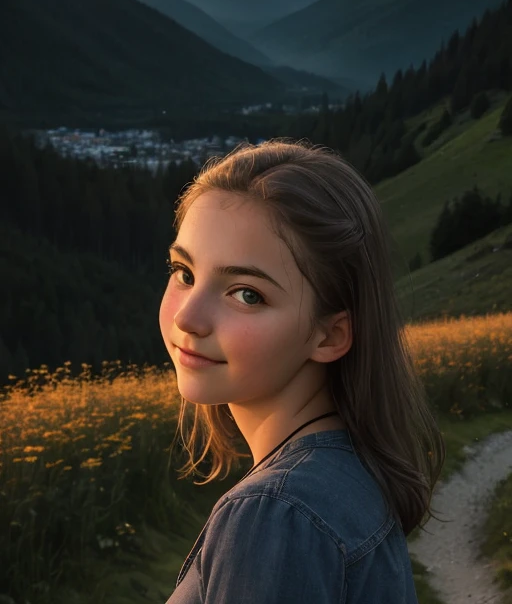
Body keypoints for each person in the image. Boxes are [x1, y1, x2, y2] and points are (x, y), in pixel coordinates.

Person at [159, 139, 445, 603]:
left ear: (330, 335)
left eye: (247, 294)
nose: (187, 317)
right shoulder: (347, 475)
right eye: (184, 272)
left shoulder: (275, 514)